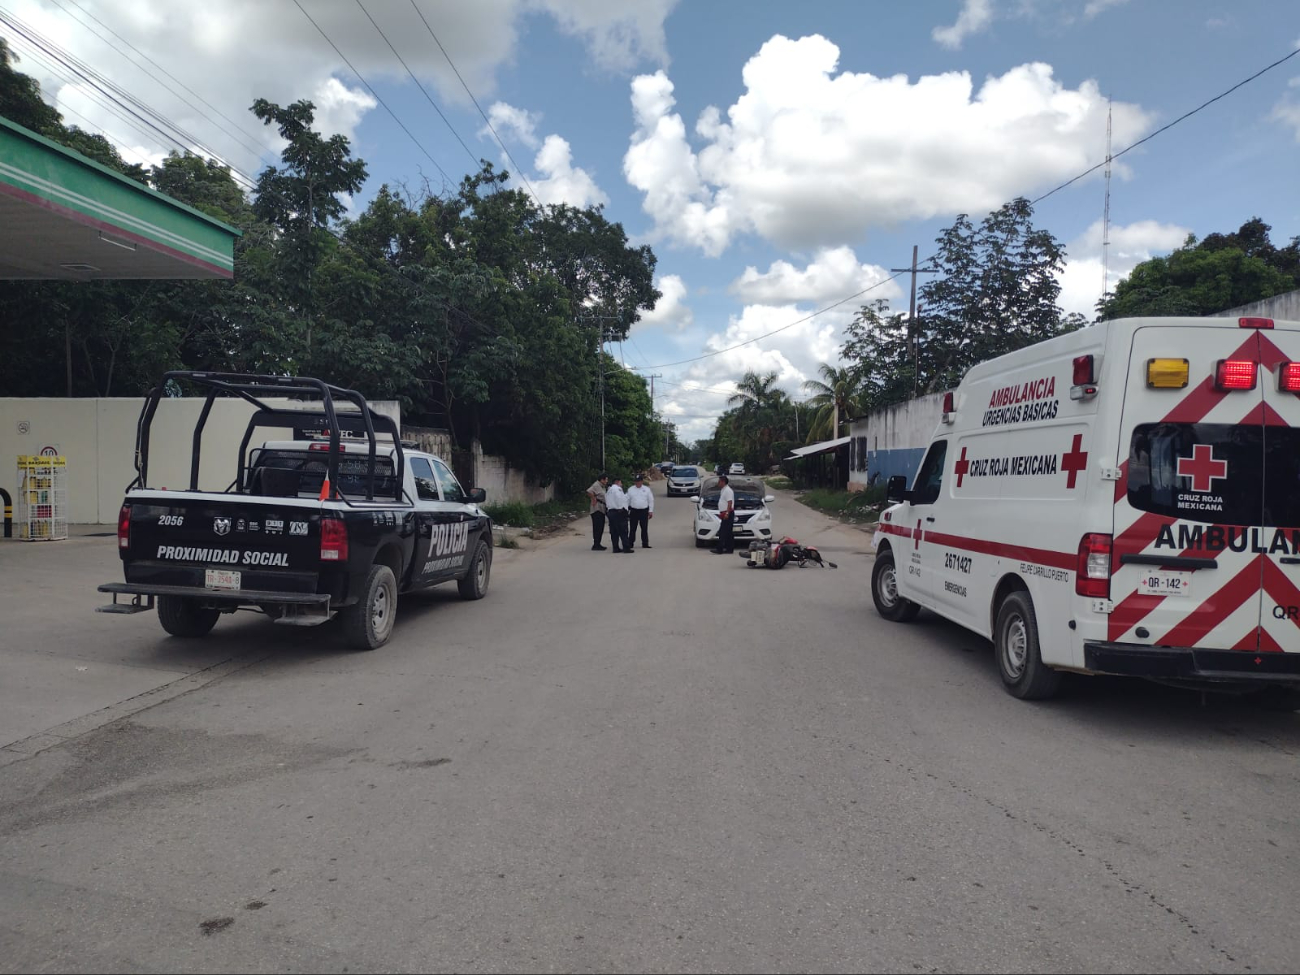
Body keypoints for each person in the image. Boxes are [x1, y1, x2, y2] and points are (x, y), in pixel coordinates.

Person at [605, 475, 633, 554]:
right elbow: (620, 499)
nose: (621, 484)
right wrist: (622, 509)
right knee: (623, 530)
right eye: (621, 482)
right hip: (618, 512)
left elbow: (607, 500)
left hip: (610, 511)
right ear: (617, 482)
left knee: (614, 531)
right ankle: (626, 548)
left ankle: (615, 547)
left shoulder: (609, 490)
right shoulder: (617, 489)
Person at [627, 472, 655, 549]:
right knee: (633, 528)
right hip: (634, 511)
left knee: (644, 528)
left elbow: (651, 500)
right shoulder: (630, 489)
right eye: (636, 481)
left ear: (642, 481)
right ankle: (630, 543)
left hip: (644, 511)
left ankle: (645, 543)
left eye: (639, 481)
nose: (638, 483)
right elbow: (627, 500)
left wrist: (651, 511)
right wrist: (626, 510)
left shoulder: (647, 489)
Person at [711, 474, 735, 554]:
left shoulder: (728, 490)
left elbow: (730, 502)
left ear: (723, 482)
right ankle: (729, 548)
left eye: (719, 482)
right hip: (724, 513)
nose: (718, 483)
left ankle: (719, 549)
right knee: (728, 532)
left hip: (727, 513)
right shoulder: (723, 490)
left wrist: (727, 513)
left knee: (722, 532)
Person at [586, 473, 609, 551]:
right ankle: (596, 544)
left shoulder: (601, 486)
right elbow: (589, 491)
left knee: (601, 526)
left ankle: (598, 543)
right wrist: (593, 498)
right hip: (597, 508)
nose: (606, 481)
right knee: (597, 527)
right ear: (602, 479)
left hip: (601, 508)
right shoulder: (596, 485)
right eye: (606, 479)